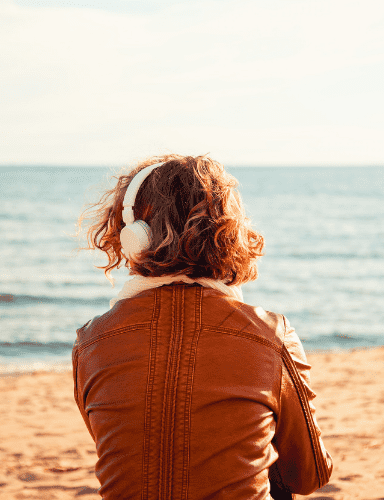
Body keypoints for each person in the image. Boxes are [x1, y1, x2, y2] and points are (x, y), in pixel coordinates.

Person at [73, 154, 333, 499]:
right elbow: (309, 475)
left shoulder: (91, 341)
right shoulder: (270, 335)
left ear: (133, 235)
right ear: (229, 233)